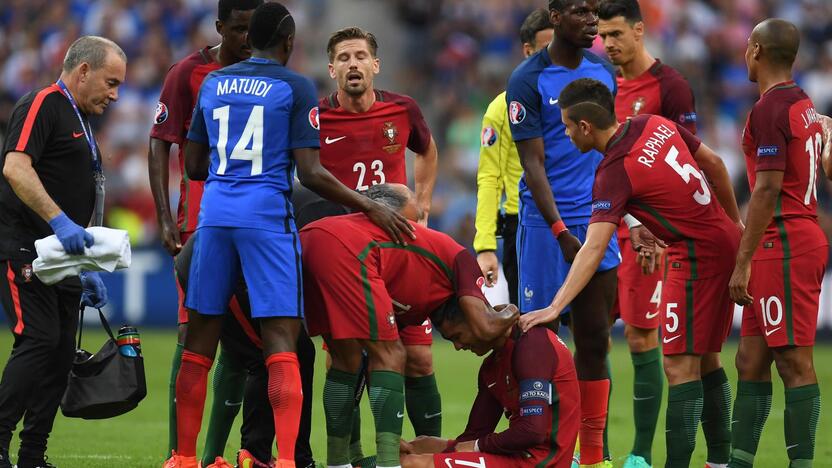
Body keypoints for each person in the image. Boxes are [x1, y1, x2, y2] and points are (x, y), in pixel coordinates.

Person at [163, 4, 414, 468]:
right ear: (288, 43)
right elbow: (311, 172)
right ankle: (284, 461)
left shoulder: (214, 83)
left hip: (214, 219)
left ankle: (181, 457)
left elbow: (194, 164)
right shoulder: (295, 86)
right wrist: (367, 205)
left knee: (199, 343)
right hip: (265, 220)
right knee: (280, 343)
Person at [520, 78, 743, 468]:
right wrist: (735, 227)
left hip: (695, 258)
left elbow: (592, 248)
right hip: (720, 239)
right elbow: (716, 164)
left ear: (585, 126)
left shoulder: (613, 171)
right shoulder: (652, 123)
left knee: (677, 365)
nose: (567, 134)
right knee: (707, 358)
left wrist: (555, 306)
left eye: (568, 126)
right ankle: (720, 462)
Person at [597, 1, 728, 467]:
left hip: (653, 236)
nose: (608, 44)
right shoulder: (602, 82)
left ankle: (640, 453)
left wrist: (650, 228)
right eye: (603, 36)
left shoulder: (670, 87)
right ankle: (595, 450)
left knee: (643, 336)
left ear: (639, 30)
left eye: (615, 34)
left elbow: (690, 163)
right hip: (607, 223)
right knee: (592, 335)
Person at [301, 183, 515, 468]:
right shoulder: (460, 259)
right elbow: (486, 326)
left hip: (310, 240)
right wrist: (516, 312)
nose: (459, 345)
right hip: (348, 250)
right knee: (391, 356)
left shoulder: (416, 286)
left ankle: (338, 463)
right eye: (457, 336)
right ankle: (390, 463)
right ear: (460, 312)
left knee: (345, 359)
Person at [147, 1, 266, 464]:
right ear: (220, 27)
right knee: (192, 336)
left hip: (256, 230)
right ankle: (180, 453)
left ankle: (214, 454)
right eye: (240, 29)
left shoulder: (271, 71)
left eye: (255, 30)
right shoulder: (187, 74)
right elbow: (160, 143)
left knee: (240, 348)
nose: (248, 39)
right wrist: (163, 214)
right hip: (199, 225)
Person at [0, 36, 126, 468]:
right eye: (111, 82)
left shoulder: (85, 120)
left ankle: (33, 454)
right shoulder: (44, 102)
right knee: (38, 341)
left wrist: (86, 263)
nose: (115, 94)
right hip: (26, 247)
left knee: (58, 355)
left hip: (64, 257)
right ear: (84, 70)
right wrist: (59, 221)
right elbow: (16, 166)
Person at [318, 26, 441, 460]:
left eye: (360, 56)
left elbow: (426, 150)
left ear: (376, 65)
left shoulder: (402, 109)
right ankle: (348, 457)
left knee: (419, 358)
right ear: (331, 68)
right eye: (344, 57)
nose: (353, 64)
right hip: (346, 258)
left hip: (399, 253)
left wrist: (421, 205)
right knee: (342, 361)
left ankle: (431, 456)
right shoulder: (316, 118)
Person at [505, 1, 619, 465]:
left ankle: (591, 456)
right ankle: (545, 450)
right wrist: (558, 230)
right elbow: (532, 165)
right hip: (545, 227)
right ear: (555, 17)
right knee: (540, 342)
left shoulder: (602, 70)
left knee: (594, 339)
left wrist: (625, 219)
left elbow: (613, 147)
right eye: (579, 10)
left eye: (594, 10)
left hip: (598, 222)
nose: (592, 19)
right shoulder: (526, 80)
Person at [727, 19, 827, 468]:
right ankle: (741, 461)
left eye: (748, 46)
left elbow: (766, 189)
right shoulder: (802, 102)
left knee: (792, 362)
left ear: (757, 51)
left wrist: (742, 261)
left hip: (784, 241)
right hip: (785, 238)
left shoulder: (769, 110)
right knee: (750, 358)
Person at [399, 303, 579, 468]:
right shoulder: (491, 366)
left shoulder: (532, 345)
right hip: (517, 456)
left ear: (476, 321)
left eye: (457, 336)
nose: (458, 346)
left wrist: (476, 446)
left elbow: (532, 431)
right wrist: (428, 447)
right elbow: (474, 435)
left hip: (542, 462)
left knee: (414, 464)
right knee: (423, 444)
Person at [475, 8, 553, 306]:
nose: (553, 58)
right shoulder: (502, 109)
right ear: (527, 51)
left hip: (576, 216)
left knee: (593, 330)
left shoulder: (577, 102)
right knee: (531, 325)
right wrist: (484, 245)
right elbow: (489, 177)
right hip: (521, 224)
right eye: (545, 50)